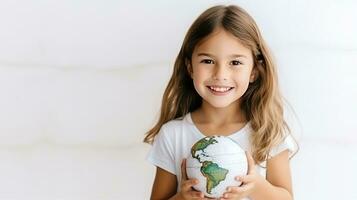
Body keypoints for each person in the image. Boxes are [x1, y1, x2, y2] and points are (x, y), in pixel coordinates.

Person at [143, 4, 298, 200]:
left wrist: (256, 186)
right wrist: (181, 198)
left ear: (254, 71)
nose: (220, 75)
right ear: (190, 67)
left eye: (235, 63)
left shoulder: (268, 131)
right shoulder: (172, 134)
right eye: (208, 61)